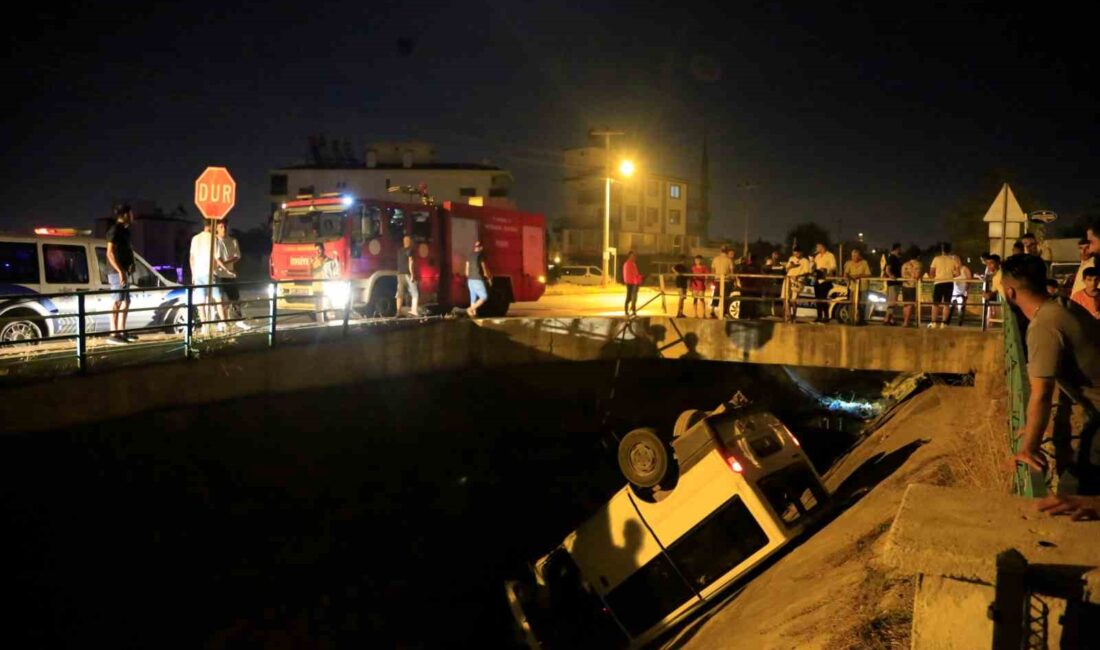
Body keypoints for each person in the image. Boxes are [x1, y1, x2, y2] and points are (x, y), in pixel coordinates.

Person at [1001, 254, 1100, 497]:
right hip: (1095, 410)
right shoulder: (1061, 305)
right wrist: (1033, 425)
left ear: (1010, 292)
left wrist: (1029, 447)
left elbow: (1041, 393)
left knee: (1073, 490)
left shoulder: (1043, 325)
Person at [105, 205, 136, 344]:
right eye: (130, 213)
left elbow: (128, 250)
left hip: (125, 271)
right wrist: (120, 271)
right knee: (117, 301)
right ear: (124, 215)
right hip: (116, 272)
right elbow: (109, 253)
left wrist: (131, 263)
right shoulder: (115, 230)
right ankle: (113, 333)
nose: (132, 216)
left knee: (126, 301)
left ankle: (122, 331)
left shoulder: (126, 231)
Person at [190, 221, 227, 333]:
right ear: (212, 226)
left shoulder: (195, 238)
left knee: (201, 302)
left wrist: (193, 275)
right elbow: (216, 258)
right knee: (218, 299)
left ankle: (205, 325)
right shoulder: (213, 239)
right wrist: (226, 270)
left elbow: (192, 258)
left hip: (198, 274)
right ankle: (223, 323)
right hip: (209, 273)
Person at [215, 221, 247, 329]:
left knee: (235, 298)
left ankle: (238, 319)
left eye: (225, 226)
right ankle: (221, 321)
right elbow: (217, 258)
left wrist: (225, 264)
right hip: (218, 274)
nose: (224, 229)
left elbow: (237, 255)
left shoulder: (233, 240)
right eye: (221, 227)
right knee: (220, 299)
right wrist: (222, 265)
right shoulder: (215, 241)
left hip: (230, 274)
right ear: (217, 229)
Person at [928, 244, 958, 328]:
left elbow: (931, 272)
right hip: (949, 282)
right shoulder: (952, 260)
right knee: (946, 304)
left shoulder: (936, 259)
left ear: (942, 250)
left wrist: (933, 277)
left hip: (939, 282)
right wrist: (951, 275)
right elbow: (957, 273)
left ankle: (933, 322)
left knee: (935, 304)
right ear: (950, 251)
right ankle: (944, 323)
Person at [843, 249, 871, 324]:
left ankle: (861, 319)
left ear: (859, 256)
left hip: (863, 287)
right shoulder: (849, 263)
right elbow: (845, 274)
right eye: (852, 256)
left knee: (862, 304)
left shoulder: (864, 263)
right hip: (853, 287)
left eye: (855, 256)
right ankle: (851, 318)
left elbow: (868, 274)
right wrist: (849, 277)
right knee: (852, 303)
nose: (854, 257)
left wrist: (859, 276)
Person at [812, 243, 837, 323]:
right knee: (818, 299)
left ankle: (826, 317)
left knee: (823, 299)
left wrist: (826, 270)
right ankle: (819, 317)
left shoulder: (830, 255)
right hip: (817, 280)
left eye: (818, 247)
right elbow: (814, 267)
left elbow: (833, 267)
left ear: (822, 247)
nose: (817, 248)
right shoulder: (817, 256)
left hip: (825, 280)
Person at [466, 240, 492, 318]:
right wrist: (489, 278)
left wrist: (470, 277)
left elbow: (467, 271)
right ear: (481, 247)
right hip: (477, 279)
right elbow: (484, 270)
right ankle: (470, 309)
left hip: (470, 280)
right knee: (484, 297)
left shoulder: (469, 255)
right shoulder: (481, 255)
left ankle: (473, 316)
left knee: (473, 298)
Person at [785, 247, 812, 322]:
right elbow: (786, 269)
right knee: (786, 298)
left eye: (797, 252)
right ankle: (788, 315)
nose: (796, 254)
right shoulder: (791, 259)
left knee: (794, 299)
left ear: (801, 252)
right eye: (794, 252)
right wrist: (791, 266)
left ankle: (794, 315)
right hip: (789, 280)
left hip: (798, 281)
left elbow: (807, 272)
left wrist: (797, 276)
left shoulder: (805, 261)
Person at [395, 235, 419, 317]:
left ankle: (398, 312)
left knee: (399, 294)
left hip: (399, 274)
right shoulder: (410, 250)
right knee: (415, 293)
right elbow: (410, 262)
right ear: (409, 241)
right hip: (407, 274)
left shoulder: (399, 251)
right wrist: (412, 274)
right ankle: (414, 311)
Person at [709, 246, 733, 318]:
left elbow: (712, 270)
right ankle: (724, 312)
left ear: (721, 251)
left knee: (716, 295)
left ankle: (712, 311)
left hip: (717, 280)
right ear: (727, 251)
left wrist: (713, 278)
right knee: (725, 296)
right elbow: (731, 271)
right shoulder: (729, 260)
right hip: (726, 280)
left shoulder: (715, 259)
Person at [883, 243, 903, 325]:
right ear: (897, 249)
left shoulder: (895, 258)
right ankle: (886, 319)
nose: (901, 250)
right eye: (900, 249)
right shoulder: (892, 257)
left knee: (893, 301)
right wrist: (891, 275)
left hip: (896, 283)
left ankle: (891, 319)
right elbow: (887, 269)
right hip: (893, 283)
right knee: (892, 301)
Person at [901, 255, 923, 327]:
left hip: (904, 285)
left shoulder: (905, 264)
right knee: (910, 304)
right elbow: (917, 276)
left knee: (905, 305)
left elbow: (902, 275)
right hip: (912, 286)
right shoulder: (918, 264)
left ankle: (905, 321)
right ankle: (906, 322)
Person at [981, 253, 1003, 322]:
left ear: (998, 263)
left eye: (991, 263)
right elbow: (994, 291)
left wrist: (984, 294)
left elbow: (989, 295)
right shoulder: (1000, 273)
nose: (989, 266)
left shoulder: (998, 276)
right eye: (987, 263)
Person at [952, 259, 973, 326]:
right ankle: (946, 322)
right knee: (951, 307)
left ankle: (960, 323)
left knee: (961, 308)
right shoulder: (953, 270)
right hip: (954, 292)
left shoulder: (965, 269)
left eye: (955, 260)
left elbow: (969, 280)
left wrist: (967, 290)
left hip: (963, 291)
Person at [623, 250, 643, 317]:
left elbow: (636, 274)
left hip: (634, 283)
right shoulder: (627, 264)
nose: (633, 257)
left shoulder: (633, 264)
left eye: (634, 256)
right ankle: (627, 311)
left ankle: (633, 311)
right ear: (629, 256)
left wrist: (638, 280)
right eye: (632, 256)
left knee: (633, 298)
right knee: (630, 297)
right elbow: (627, 274)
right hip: (630, 283)